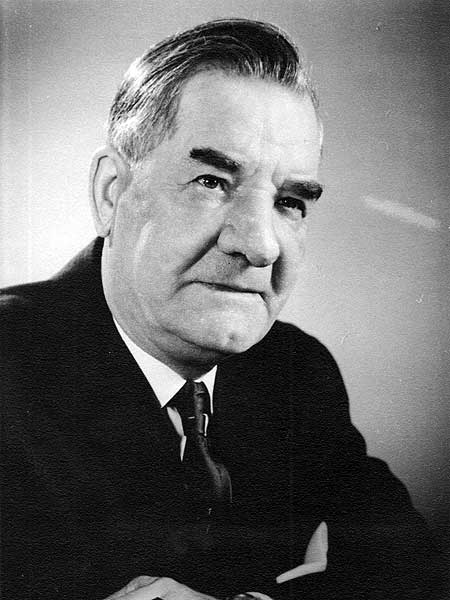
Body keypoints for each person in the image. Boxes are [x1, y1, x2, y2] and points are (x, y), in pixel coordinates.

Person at [0, 18, 444, 600]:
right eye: (212, 181)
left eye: (289, 201)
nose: (259, 245)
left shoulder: (296, 371)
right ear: (112, 194)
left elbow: (416, 571)